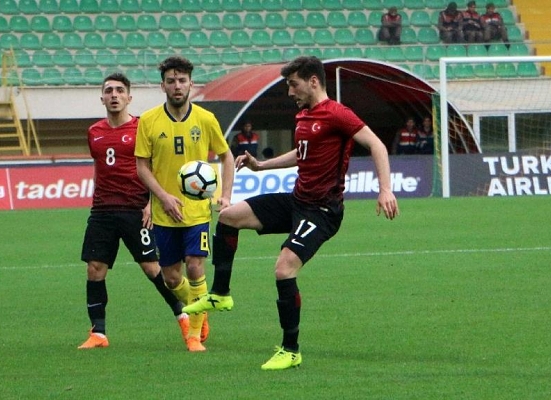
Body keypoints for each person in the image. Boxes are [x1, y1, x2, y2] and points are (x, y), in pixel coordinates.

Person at [183, 56, 399, 370]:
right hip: (297, 201)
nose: (289, 91)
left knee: (284, 269)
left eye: (293, 84)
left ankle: (291, 349)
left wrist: (385, 189)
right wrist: (261, 166)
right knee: (229, 216)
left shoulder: (337, 113)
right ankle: (220, 293)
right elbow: (302, 153)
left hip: (322, 211)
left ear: (313, 81)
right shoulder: (304, 116)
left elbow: (376, 145)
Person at [78, 72, 190, 349]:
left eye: (119, 90)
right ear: (102, 98)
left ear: (129, 97)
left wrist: (151, 203)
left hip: (135, 209)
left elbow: (155, 168)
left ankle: (184, 315)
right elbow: (98, 167)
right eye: (109, 91)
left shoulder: (142, 128)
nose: (114, 95)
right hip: (102, 211)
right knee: (95, 269)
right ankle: (98, 333)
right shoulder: (94, 132)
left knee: (152, 268)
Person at [135, 56, 235, 352]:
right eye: (171, 81)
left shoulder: (205, 119)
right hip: (164, 213)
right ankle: (198, 307)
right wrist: (163, 197)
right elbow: (142, 166)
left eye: (182, 81)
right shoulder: (148, 120)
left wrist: (226, 195)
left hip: (197, 212)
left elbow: (226, 156)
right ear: (162, 85)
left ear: (191, 83)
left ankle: (193, 335)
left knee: (195, 267)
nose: (177, 86)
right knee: (171, 277)